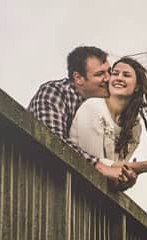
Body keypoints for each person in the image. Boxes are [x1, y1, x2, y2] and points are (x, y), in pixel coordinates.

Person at [68, 55, 147, 180]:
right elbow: (95, 166)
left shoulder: (134, 126)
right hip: (73, 183)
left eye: (126, 75)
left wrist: (129, 178)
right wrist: (145, 166)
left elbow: (118, 175)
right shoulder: (93, 107)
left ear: (137, 86)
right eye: (115, 73)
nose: (119, 78)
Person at [28, 46, 136, 187]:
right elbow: (52, 141)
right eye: (100, 74)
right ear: (78, 78)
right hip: (39, 183)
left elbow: (109, 170)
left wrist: (124, 179)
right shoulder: (55, 93)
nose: (108, 78)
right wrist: (101, 167)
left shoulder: (104, 109)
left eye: (109, 71)